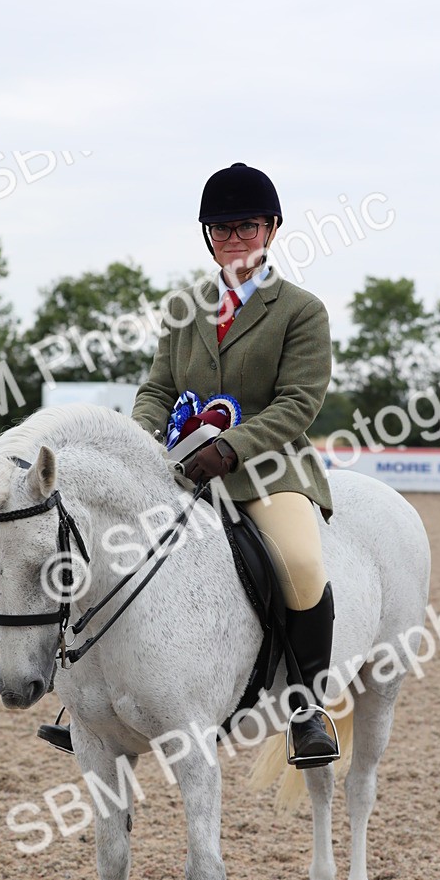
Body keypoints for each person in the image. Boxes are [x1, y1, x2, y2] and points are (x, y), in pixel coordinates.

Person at [39, 162, 338, 767]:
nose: (234, 239)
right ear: (207, 235)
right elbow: (157, 388)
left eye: (247, 227)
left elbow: (299, 403)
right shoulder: (184, 309)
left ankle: (308, 707)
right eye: (222, 229)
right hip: (178, 467)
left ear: (272, 230)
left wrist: (230, 448)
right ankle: (89, 704)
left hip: (267, 471)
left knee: (302, 564)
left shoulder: (301, 310)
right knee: (107, 552)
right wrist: (146, 443)